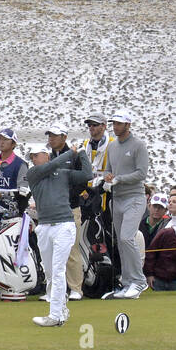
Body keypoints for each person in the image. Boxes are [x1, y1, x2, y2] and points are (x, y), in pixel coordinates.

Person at [25, 144, 91, 326]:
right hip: (44, 227)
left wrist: (83, 153)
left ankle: (55, 315)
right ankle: (61, 309)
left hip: (64, 225)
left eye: (36, 156)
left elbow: (87, 175)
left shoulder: (63, 173)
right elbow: (51, 167)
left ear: (46, 156)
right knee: (49, 272)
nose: (33, 160)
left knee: (58, 269)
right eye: (31, 157)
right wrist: (72, 152)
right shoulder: (33, 174)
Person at [102, 109, 149, 299]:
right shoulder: (112, 147)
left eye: (119, 124)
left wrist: (118, 179)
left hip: (135, 198)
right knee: (121, 242)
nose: (115, 127)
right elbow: (108, 170)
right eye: (114, 124)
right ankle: (128, 282)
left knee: (127, 238)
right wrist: (108, 177)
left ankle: (139, 281)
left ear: (128, 125)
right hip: (117, 199)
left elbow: (141, 173)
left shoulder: (138, 145)